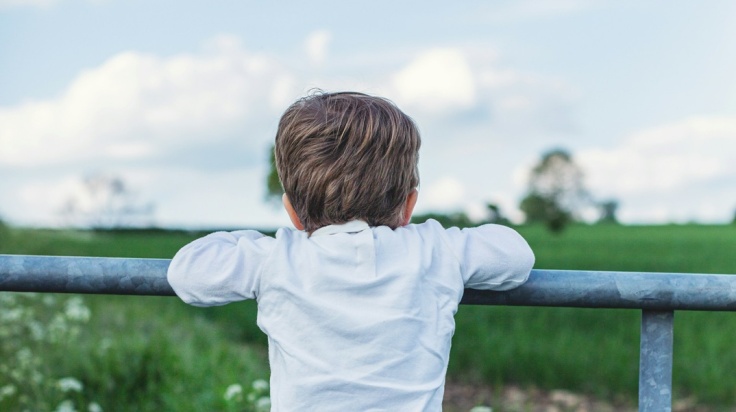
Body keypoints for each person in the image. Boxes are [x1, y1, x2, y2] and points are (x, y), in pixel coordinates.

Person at [167, 91, 535, 411]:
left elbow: (187, 272)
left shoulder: (277, 258)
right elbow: (515, 256)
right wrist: (433, 238)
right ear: (409, 205)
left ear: (292, 211)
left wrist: (264, 243)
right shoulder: (434, 249)